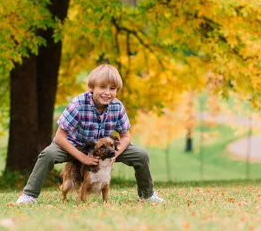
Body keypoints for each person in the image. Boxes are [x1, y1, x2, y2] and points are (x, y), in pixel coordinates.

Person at [16, 64, 164, 204]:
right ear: (92, 87)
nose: (107, 92)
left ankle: (146, 195)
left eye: (112, 88)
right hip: (75, 146)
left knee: (141, 155)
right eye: (102, 87)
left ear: (117, 91)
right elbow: (60, 137)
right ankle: (29, 195)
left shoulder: (117, 107)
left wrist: (115, 155)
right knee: (48, 155)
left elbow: (126, 137)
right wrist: (83, 158)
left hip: (106, 149)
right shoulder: (78, 104)